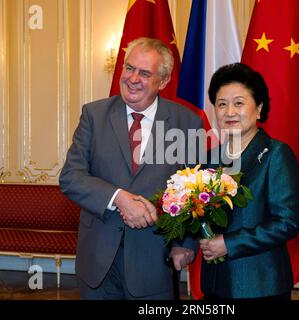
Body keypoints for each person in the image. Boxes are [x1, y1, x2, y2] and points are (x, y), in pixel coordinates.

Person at [59, 37, 203, 300]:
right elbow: (71, 177)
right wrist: (119, 198)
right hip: (98, 263)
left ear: (164, 81)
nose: (133, 78)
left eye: (145, 73)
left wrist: (186, 243)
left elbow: (196, 192)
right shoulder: (94, 114)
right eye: (129, 68)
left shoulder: (187, 122)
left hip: (155, 261)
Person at [199, 63, 299, 300]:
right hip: (215, 284)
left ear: (259, 108)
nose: (229, 112)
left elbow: (286, 222)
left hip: (261, 285)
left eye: (239, 103)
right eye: (221, 104)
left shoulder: (276, 154)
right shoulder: (211, 158)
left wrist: (230, 243)